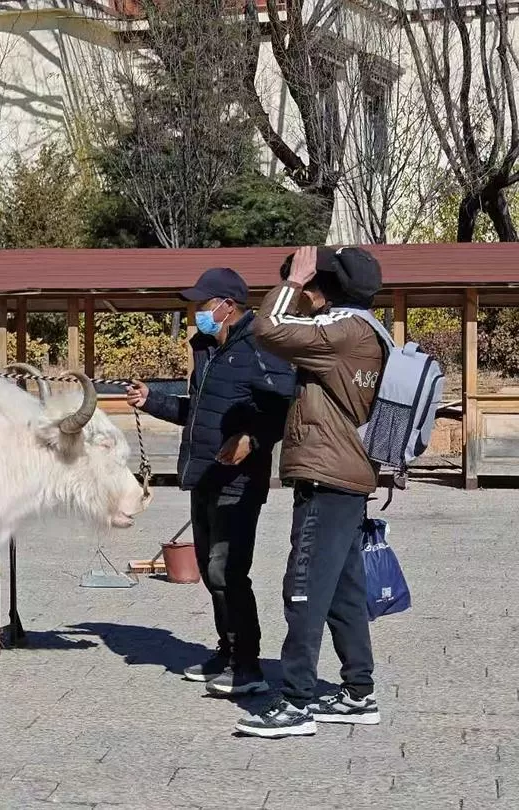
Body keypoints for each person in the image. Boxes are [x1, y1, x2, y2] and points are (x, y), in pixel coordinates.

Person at [235, 245, 385, 739]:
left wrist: (293, 281)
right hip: (345, 475)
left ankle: (297, 701)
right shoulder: (367, 330)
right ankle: (358, 693)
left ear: (327, 289)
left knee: (303, 588)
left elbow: (268, 328)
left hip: (328, 477)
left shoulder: (342, 330)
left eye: (315, 285)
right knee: (343, 591)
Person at [127, 267, 294, 697]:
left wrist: (252, 439)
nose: (195, 313)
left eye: (202, 305)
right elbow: (198, 412)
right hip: (203, 474)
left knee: (228, 571)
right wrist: (153, 402)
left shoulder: (261, 344)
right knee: (211, 572)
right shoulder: (206, 348)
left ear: (227, 306)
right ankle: (227, 650)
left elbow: (285, 408)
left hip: (239, 481)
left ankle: (249, 665)